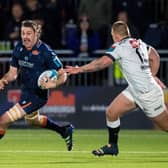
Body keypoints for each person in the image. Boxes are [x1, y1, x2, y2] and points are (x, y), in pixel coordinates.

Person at [65, 21, 168, 156]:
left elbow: (101, 63)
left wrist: (79, 69)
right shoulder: (139, 43)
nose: (112, 37)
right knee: (112, 112)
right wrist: (151, 76)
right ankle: (112, 146)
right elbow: (155, 56)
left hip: (148, 94)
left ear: (115, 35)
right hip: (135, 90)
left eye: (112, 35)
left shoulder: (119, 46)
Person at [0, 20, 73, 151]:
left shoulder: (46, 52)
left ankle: (63, 130)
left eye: (28, 33)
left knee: (4, 120)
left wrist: (54, 83)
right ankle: (64, 130)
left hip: (37, 96)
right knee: (33, 121)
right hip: (26, 91)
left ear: (36, 35)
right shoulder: (19, 48)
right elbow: (12, 74)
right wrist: (3, 79)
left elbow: (63, 74)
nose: (25, 37)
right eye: (23, 33)